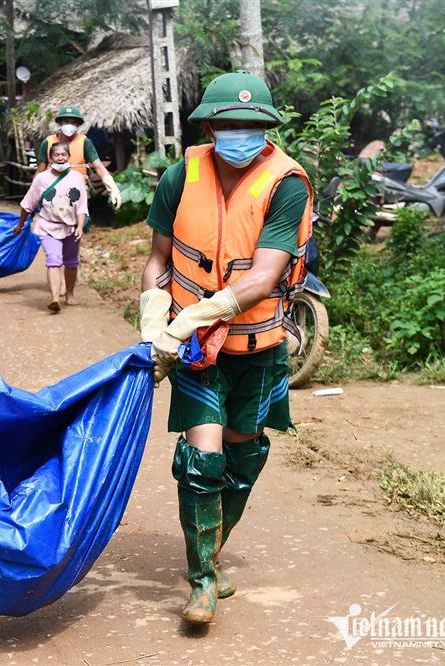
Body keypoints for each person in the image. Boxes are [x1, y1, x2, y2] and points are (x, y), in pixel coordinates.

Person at [138, 71, 312, 626]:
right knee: (202, 458)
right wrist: (153, 312)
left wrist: (197, 311)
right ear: (210, 125)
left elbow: (264, 276)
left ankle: (211, 550)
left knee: (243, 455)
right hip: (197, 353)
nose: (240, 132)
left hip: (258, 345)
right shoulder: (178, 177)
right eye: (229, 124)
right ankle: (202, 582)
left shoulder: (286, 184)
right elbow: (158, 259)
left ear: (266, 129)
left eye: (251, 124)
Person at [13, 141, 88, 312]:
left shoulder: (77, 178)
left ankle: (69, 293)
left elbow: (81, 206)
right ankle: (54, 298)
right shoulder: (41, 179)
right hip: (48, 226)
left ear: (69, 156)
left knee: (71, 263)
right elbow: (27, 204)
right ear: (50, 157)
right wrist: (20, 225)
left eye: (64, 155)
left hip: (71, 227)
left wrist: (80, 226)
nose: (60, 158)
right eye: (56, 155)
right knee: (53, 260)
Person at [36, 105, 122, 210]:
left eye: (73, 122)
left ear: (78, 124)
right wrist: (34, 193)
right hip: (53, 192)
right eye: (66, 121)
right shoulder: (48, 142)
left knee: (81, 222)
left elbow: (99, 166)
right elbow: (40, 171)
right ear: (59, 123)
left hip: (77, 192)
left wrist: (112, 188)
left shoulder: (84, 142)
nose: (69, 125)